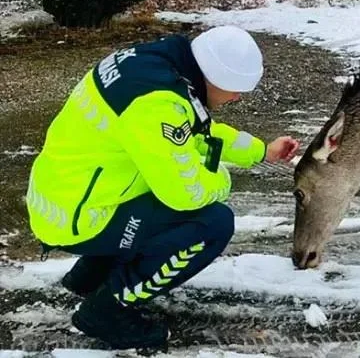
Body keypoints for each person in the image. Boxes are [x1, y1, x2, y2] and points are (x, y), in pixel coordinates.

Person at [25, 25, 300, 350]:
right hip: (80, 218)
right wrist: (222, 181)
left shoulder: (154, 68)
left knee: (158, 182)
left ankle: (90, 275)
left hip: (65, 197)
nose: (238, 97)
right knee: (211, 223)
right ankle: (107, 309)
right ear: (216, 77)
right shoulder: (157, 106)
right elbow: (185, 193)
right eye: (236, 89)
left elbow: (198, 132)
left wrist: (261, 151)